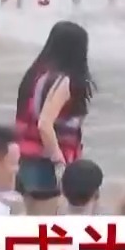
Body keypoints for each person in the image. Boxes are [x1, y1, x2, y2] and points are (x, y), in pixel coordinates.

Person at [12, 21, 95, 214]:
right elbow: (44, 124)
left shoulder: (36, 74)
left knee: (30, 214)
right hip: (45, 161)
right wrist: (59, 161)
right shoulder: (63, 81)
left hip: (25, 155)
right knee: (45, 217)